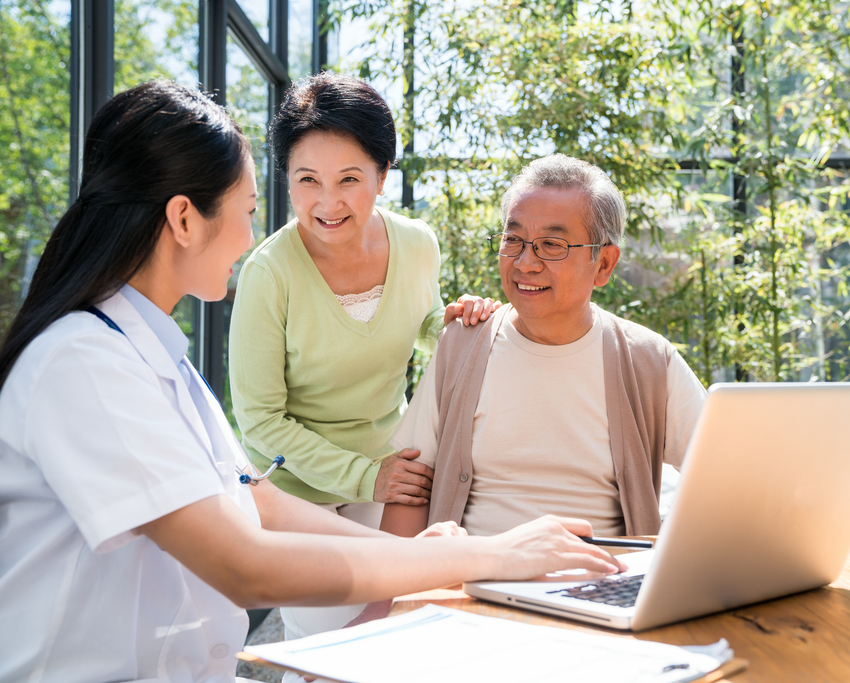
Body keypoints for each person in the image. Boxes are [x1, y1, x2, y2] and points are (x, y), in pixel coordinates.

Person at [0, 81, 622, 683]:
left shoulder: (156, 363)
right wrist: (484, 555)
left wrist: (409, 554)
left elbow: (257, 500)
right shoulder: (84, 363)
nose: (252, 240)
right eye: (248, 211)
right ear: (185, 220)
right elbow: (243, 565)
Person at [227, 74, 497, 641]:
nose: (327, 202)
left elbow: (418, 325)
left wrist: (453, 322)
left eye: (349, 178)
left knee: (404, 630)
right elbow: (260, 422)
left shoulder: (417, 243)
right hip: (299, 498)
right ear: (286, 181)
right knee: (329, 645)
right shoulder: (267, 274)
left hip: (391, 480)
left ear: (382, 175)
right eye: (307, 180)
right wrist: (364, 476)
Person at [382, 154, 708, 539]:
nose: (525, 262)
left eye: (551, 245)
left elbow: (730, 476)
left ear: (603, 264)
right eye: (513, 239)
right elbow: (410, 487)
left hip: (600, 587)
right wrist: (390, 598)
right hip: (471, 581)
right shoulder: (462, 343)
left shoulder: (650, 361)